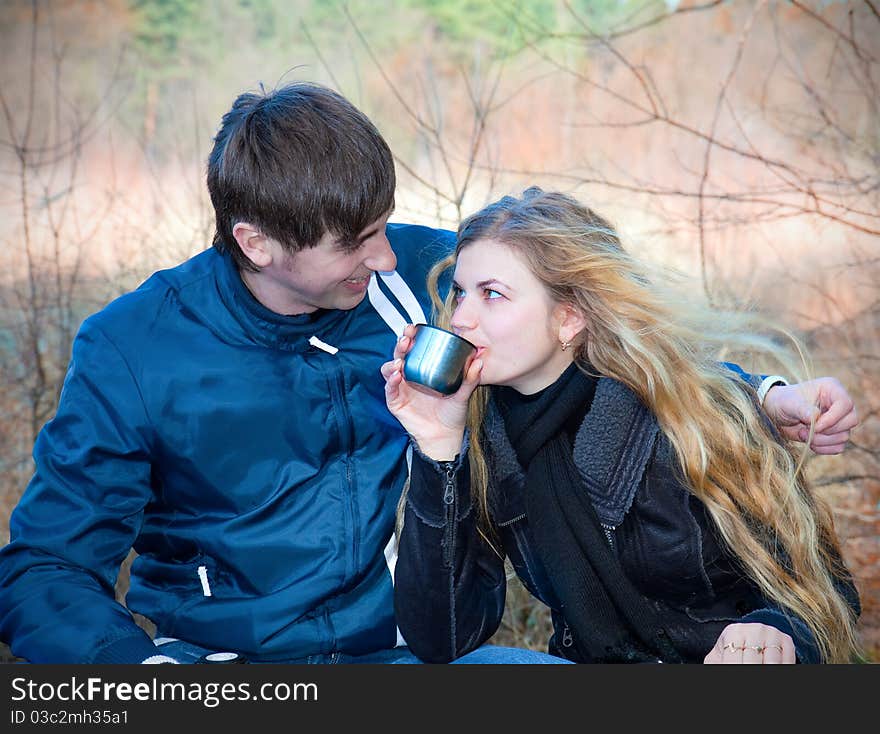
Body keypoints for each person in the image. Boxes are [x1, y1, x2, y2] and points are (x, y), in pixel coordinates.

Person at [0, 85, 857, 665]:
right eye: (356, 242)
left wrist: (757, 398)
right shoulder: (133, 349)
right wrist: (143, 672)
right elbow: (42, 568)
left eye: (384, 224)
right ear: (257, 242)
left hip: (419, 652)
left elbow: (587, 327)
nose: (385, 258)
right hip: (232, 662)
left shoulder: (422, 273)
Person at [383, 187, 862, 664]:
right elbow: (440, 640)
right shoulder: (489, 435)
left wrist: (773, 632)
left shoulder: (687, 416)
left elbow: (826, 593)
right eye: (461, 292)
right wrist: (439, 446)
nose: (461, 317)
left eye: (492, 294)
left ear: (569, 318)